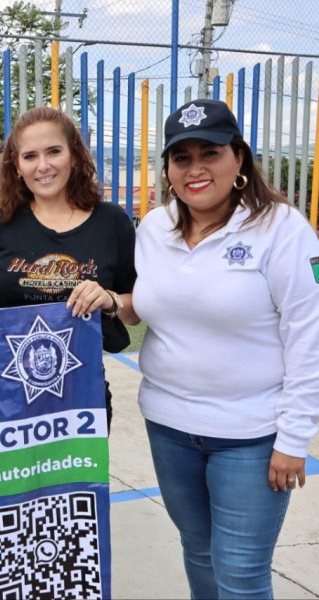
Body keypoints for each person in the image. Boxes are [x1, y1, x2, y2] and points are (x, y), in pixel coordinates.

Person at [126, 98, 319, 598]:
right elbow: (144, 305)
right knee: (199, 551)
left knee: (241, 573)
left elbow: (309, 334)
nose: (195, 169)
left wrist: (293, 438)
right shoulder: (153, 229)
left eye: (209, 153)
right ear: (168, 168)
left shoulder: (282, 229)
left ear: (238, 158)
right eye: (181, 157)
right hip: (169, 426)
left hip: (251, 436)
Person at [0, 106, 136, 425]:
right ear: (16, 166)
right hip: (4, 394)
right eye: (30, 156)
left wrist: (109, 299)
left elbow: (134, 310)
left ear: (73, 155)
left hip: (82, 396)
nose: (43, 166)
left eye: (54, 151)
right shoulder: (1, 223)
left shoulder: (112, 223)